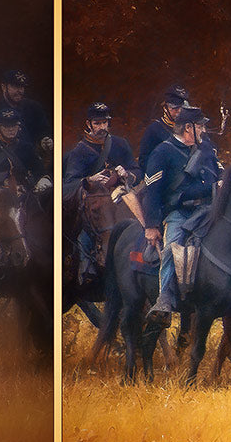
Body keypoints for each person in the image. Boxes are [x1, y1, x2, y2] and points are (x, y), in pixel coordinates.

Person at [142, 106, 221, 324]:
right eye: (200, 126)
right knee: (171, 248)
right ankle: (165, 298)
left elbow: (219, 171)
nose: (204, 129)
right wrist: (152, 225)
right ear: (188, 128)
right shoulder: (162, 152)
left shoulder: (207, 150)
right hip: (180, 213)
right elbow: (152, 192)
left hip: (208, 211)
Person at [62, 102, 142, 285]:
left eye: (104, 123)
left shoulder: (120, 144)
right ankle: (86, 270)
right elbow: (69, 185)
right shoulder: (79, 151)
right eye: (97, 123)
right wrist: (90, 180)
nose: (101, 127)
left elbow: (137, 170)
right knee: (87, 232)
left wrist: (127, 174)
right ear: (88, 124)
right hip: (93, 202)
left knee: (140, 225)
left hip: (121, 197)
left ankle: (142, 263)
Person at [0, 69, 52, 153]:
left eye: (22, 87)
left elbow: (44, 130)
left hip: (30, 158)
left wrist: (44, 140)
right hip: (0, 162)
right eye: (15, 87)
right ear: (3, 87)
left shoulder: (34, 107)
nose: (20, 91)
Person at [137, 84, 190, 170]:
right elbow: (144, 161)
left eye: (182, 108)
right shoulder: (154, 130)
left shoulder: (191, 128)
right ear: (165, 108)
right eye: (175, 109)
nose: (179, 112)